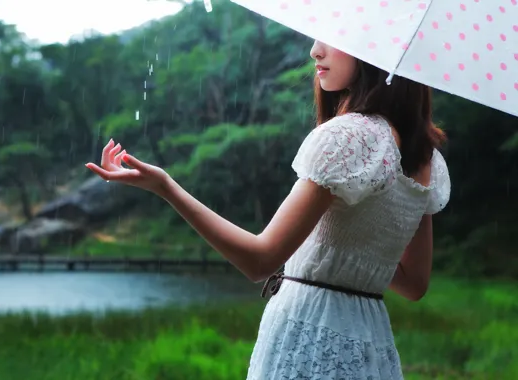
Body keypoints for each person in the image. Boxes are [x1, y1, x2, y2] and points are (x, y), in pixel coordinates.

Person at [85, 40, 451, 379]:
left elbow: (259, 262)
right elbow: (414, 283)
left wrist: (165, 187)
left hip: (311, 331)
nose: (315, 51)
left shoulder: (351, 136)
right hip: (370, 337)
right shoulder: (426, 158)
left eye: (332, 39)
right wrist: (354, 254)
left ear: (375, 49)